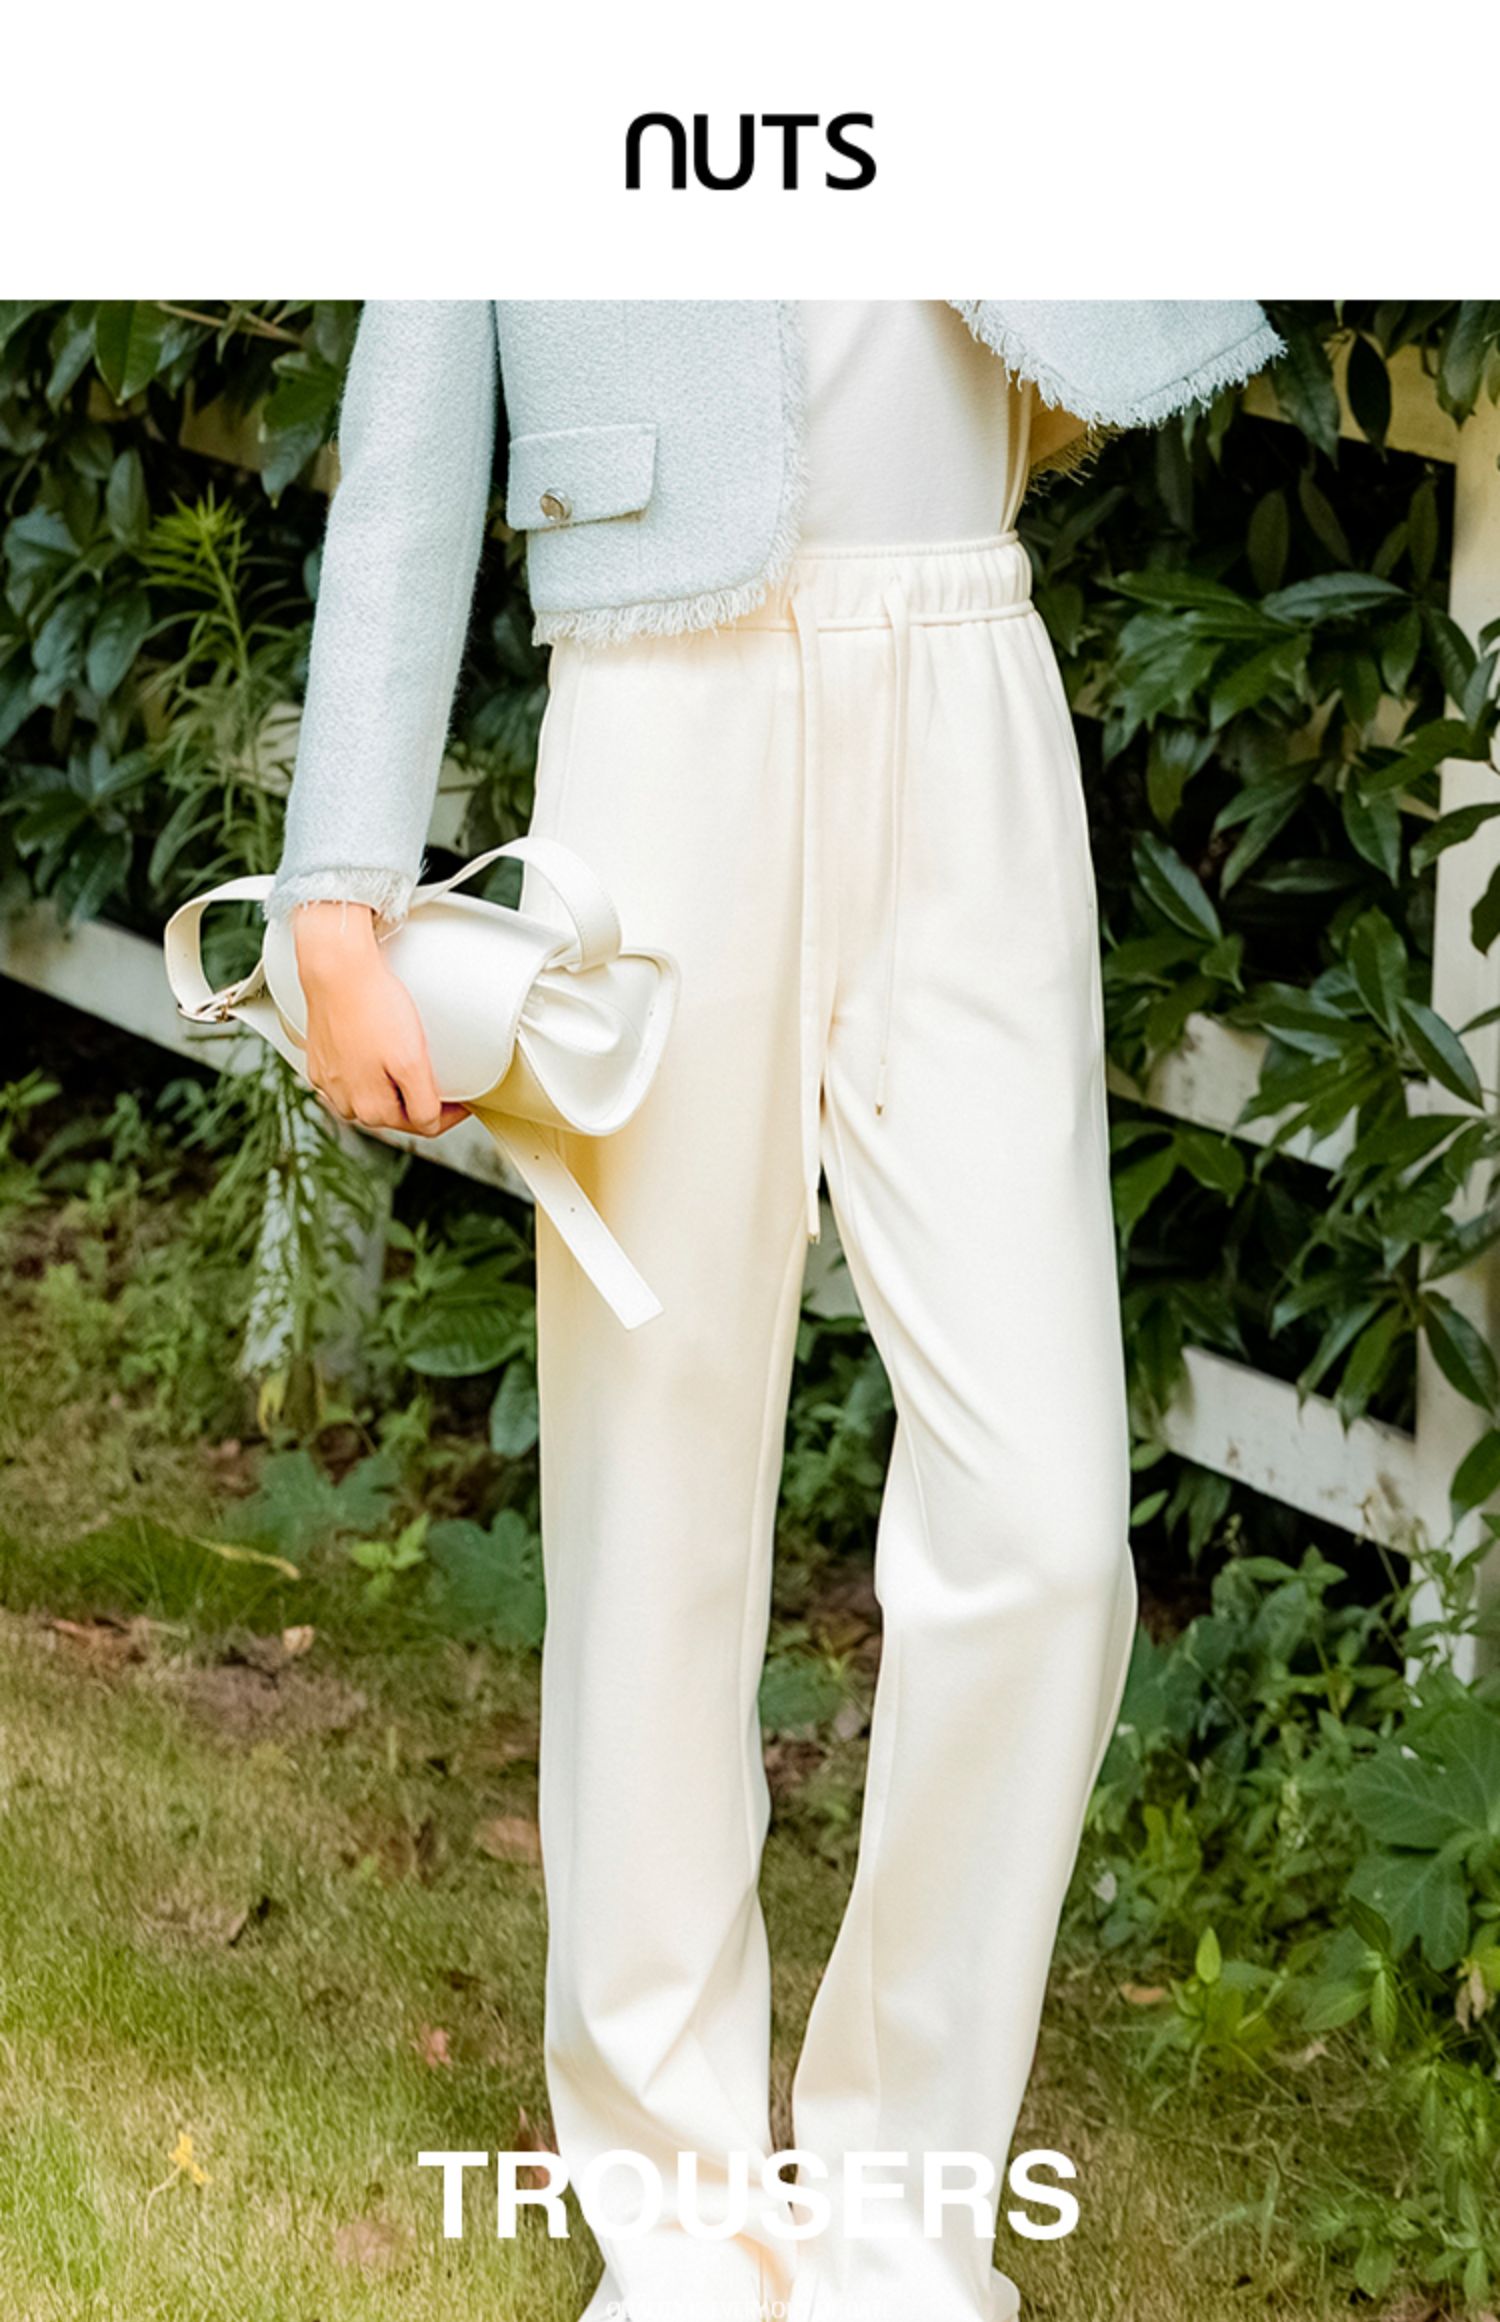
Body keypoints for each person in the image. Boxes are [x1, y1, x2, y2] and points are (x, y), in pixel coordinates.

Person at [266, 297, 1284, 2322]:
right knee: (652, 1495)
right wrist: (336, 887)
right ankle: (680, 2223)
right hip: (660, 714)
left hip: (967, 673)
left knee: (1049, 1527)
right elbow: (409, 437)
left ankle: (904, 2221)